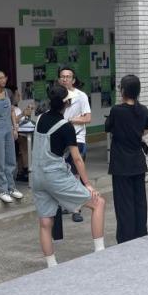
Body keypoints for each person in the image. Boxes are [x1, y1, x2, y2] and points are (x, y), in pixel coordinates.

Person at [31, 84, 107, 268]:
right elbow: (77, 159)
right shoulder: (66, 127)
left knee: (45, 222)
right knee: (98, 203)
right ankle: (100, 252)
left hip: (37, 177)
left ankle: (51, 265)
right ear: (67, 103)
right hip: (55, 177)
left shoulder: (40, 118)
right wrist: (87, 184)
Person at [105, 75, 148, 244]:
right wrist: (137, 134)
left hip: (121, 163)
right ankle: (141, 232)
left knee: (123, 202)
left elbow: (108, 127)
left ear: (124, 90)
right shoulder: (143, 110)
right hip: (138, 161)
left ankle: (126, 237)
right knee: (140, 200)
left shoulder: (117, 110)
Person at [0, 70, 24, 204]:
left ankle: (11, 187)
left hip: (8, 128)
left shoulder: (9, 92)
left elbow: (12, 111)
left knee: (11, 159)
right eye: (0, 78)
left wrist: (15, 128)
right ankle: (1, 190)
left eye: (4, 77)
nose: (3, 80)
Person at [58, 66, 92, 223]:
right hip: (60, 140)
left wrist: (70, 121)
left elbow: (87, 118)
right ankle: (66, 205)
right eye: (62, 76)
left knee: (76, 173)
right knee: (63, 174)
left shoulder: (81, 96)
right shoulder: (57, 96)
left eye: (68, 76)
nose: (65, 79)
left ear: (73, 79)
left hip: (77, 138)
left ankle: (77, 209)